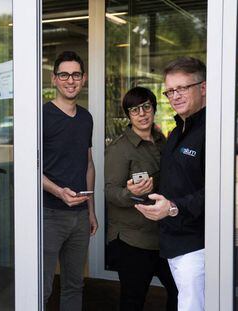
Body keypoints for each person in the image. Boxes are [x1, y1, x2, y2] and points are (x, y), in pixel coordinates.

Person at [135, 57, 206, 311]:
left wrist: (174, 207)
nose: (174, 96)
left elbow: (220, 191)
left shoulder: (214, 130)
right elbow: (178, 179)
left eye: (182, 88)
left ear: (203, 88)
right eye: (170, 91)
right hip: (172, 241)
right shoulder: (176, 131)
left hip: (198, 246)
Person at [105, 87, 178, 311]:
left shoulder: (162, 141)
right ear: (128, 115)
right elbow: (109, 191)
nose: (142, 113)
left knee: (179, 291)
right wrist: (131, 193)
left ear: (154, 109)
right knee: (133, 300)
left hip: (162, 235)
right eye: (134, 109)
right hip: (132, 240)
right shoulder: (120, 149)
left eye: (146, 106)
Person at [43, 51, 98, 311]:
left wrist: (91, 210)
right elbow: (28, 168)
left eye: (76, 74)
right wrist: (57, 191)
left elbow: (88, 163)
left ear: (84, 78)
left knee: (75, 285)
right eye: (64, 74)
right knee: (41, 288)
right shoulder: (41, 117)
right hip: (48, 215)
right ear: (54, 79)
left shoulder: (86, 118)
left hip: (78, 216)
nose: (70, 80)